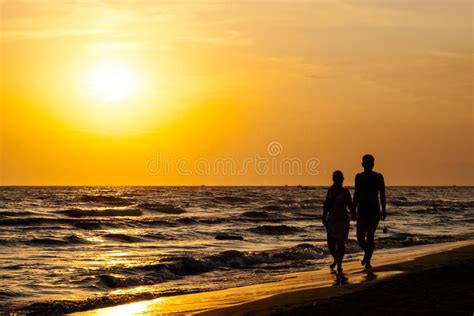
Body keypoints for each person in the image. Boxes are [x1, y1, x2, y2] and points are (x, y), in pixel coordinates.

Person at [353, 154, 386, 269]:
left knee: (370, 236)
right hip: (362, 210)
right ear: (362, 164)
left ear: (373, 164)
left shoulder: (378, 177)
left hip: (374, 210)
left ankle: (368, 261)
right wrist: (353, 209)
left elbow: (382, 194)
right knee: (360, 237)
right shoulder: (359, 177)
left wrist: (384, 210)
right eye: (366, 163)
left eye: (371, 163)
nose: (368, 165)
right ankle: (367, 253)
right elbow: (356, 194)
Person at [323, 170, 354, 273]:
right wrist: (324, 217)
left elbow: (350, 205)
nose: (337, 180)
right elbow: (326, 205)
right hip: (332, 219)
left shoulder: (345, 192)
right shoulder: (330, 190)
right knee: (330, 243)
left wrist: (354, 214)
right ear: (333, 179)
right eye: (336, 178)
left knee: (340, 243)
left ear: (342, 179)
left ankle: (339, 264)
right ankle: (336, 258)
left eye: (339, 178)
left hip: (342, 220)